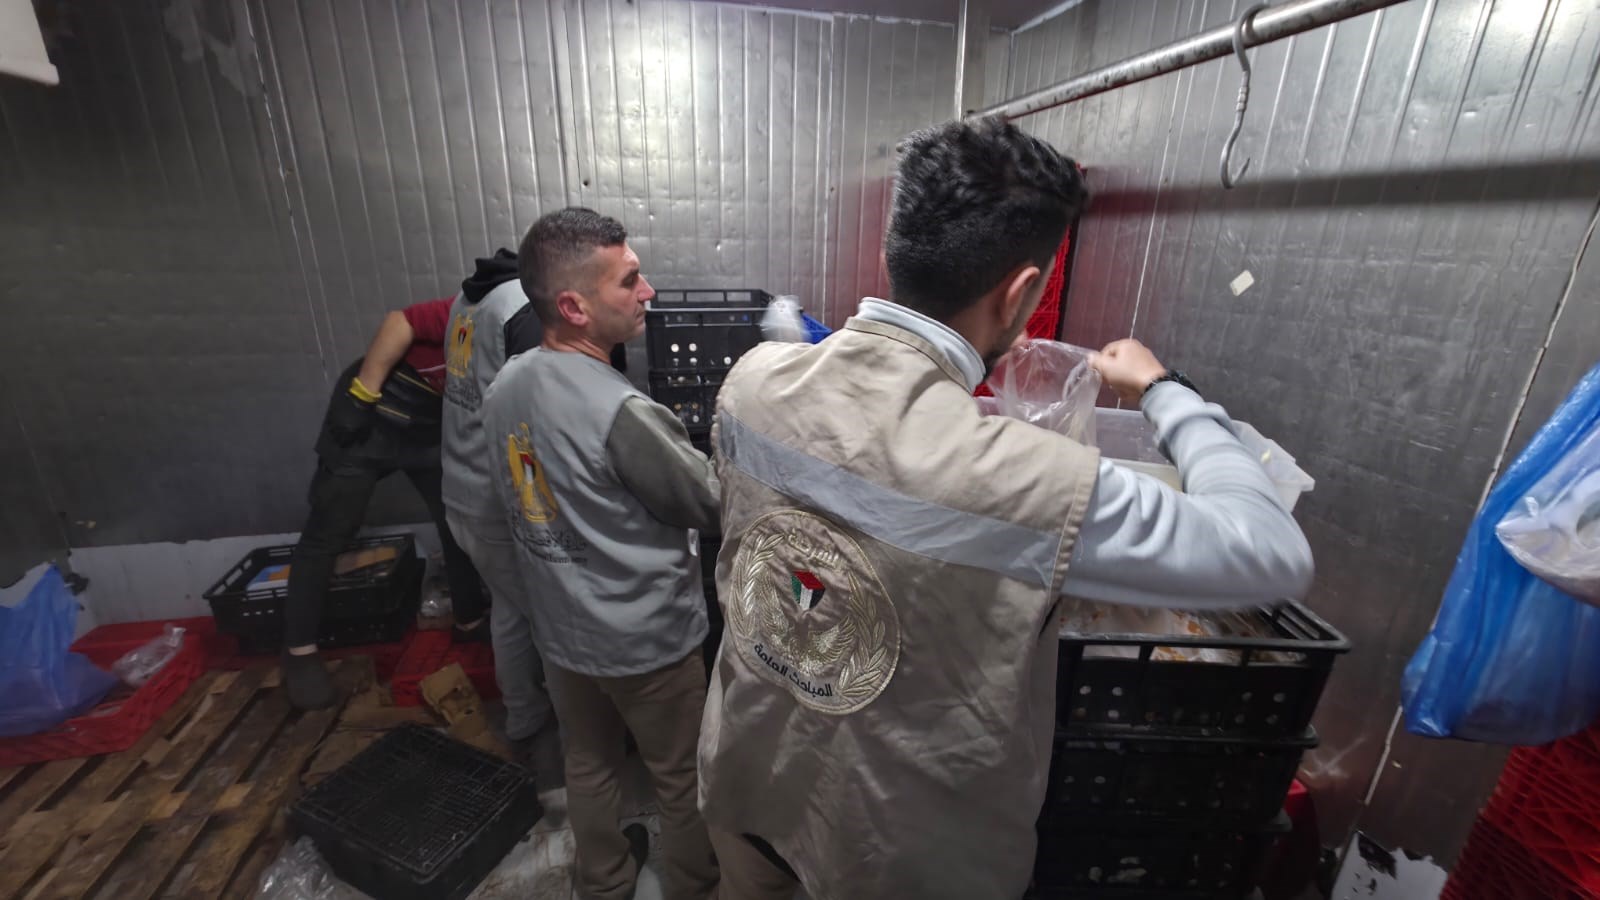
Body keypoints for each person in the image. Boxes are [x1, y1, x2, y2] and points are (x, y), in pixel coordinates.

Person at [697, 116, 1316, 900]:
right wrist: (1167, 393)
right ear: (1022, 292)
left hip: (750, 783)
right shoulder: (1031, 481)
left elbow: (854, 481)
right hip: (889, 858)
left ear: (895, 252)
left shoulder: (756, 380)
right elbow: (1270, 551)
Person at [483, 208, 721, 900]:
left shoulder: (508, 385)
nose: (647, 292)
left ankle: (604, 880)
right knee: (679, 772)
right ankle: (696, 883)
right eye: (629, 280)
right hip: (646, 640)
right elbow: (708, 503)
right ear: (573, 307)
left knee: (588, 761)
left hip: (563, 631)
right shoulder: (622, 413)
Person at [280, 299, 489, 711]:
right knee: (331, 529)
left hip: (427, 424)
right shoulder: (480, 308)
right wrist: (362, 396)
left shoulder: (536, 336)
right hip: (374, 408)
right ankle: (298, 652)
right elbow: (401, 321)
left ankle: (470, 620)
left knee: (456, 520)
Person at [440, 248, 561, 775]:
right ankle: (568, 741)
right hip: (500, 500)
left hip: (462, 487)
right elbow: (539, 412)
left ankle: (525, 723)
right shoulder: (521, 307)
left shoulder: (469, 299)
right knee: (553, 620)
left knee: (511, 611)